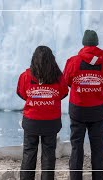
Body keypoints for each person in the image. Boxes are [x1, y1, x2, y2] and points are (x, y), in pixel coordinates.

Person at [63, 30, 103, 180]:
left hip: (78, 109)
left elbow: (67, 80)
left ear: (83, 43)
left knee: (76, 146)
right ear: (96, 43)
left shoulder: (73, 61)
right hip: (97, 110)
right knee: (98, 147)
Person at [17, 46, 69, 180]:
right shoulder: (58, 77)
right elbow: (63, 93)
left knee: (29, 153)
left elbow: (22, 93)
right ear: (52, 60)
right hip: (51, 121)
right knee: (49, 154)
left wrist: (36, 99)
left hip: (31, 120)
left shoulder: (25, 76)